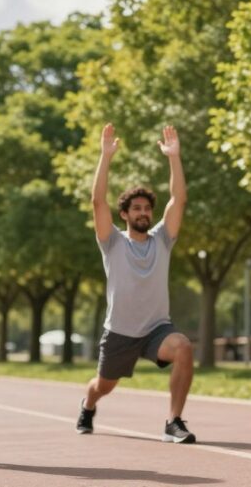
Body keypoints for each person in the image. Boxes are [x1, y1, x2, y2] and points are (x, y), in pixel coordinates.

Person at [76, 124, 195, 443]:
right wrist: (105, 157)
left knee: (183, 347)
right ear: (125, 214)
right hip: (120, 332)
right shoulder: (112, 241)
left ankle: (174, 421)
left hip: (157, 329)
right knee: (104, 386)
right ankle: (88, 405)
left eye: (147, 209)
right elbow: (97, 201)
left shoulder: (162, 240)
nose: (144, 213)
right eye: (137, 209)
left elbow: (179, 199)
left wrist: (174, 158)